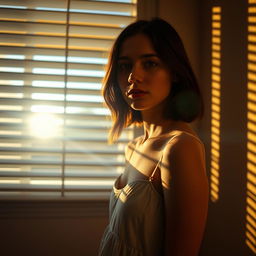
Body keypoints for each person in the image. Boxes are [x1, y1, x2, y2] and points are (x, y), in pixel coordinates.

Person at [98, 18, 209, 256]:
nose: (132, 77)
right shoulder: (135, 146)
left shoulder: (180, 148)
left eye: (149, 63)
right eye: (125, 66)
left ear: (175, 72)